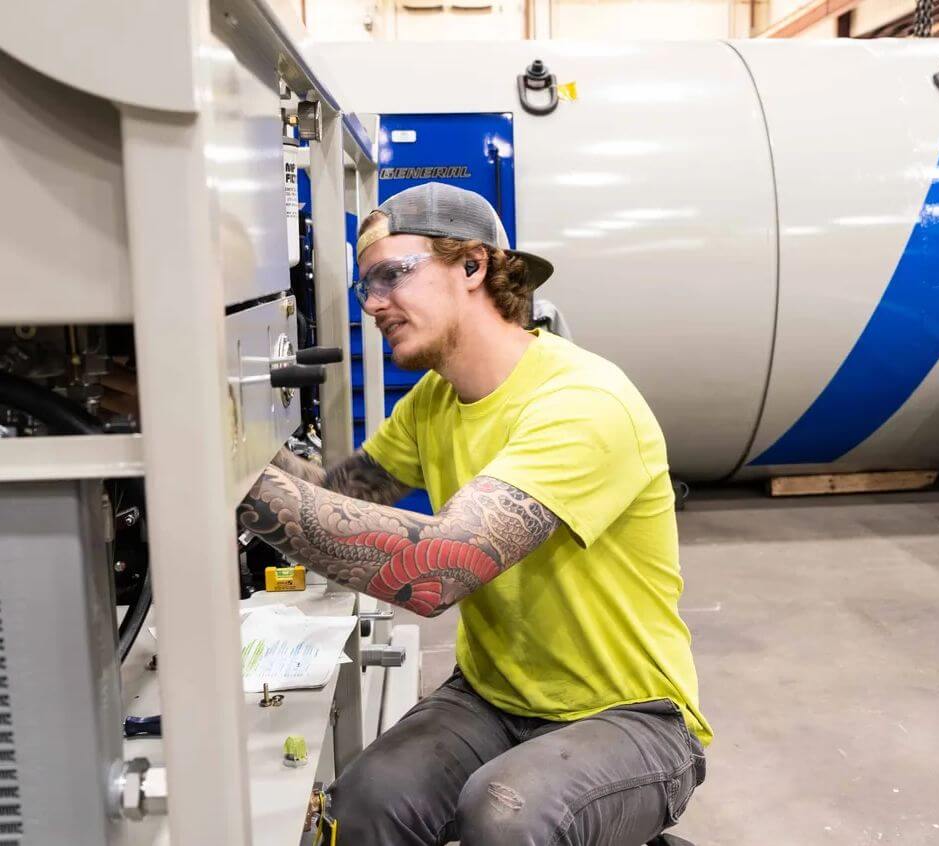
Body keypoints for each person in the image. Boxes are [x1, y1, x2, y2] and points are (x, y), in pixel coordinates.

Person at [238, 182, 709, 845]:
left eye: (391, 275)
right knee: (364, 802)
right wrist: (212, 426)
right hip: (492, 699)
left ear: (471, 266)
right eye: (363, 286)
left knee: (509, 813)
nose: (372, 302)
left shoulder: (582, 401)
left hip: (630, 717)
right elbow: (341, 496)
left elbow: (439, 569)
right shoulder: (435, 400)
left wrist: (232, 479)